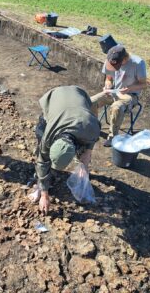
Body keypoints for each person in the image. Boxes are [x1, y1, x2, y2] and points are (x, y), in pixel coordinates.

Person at [29, 86, 101, 215]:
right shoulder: (48, 136)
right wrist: (45, 195)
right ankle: (39, 186)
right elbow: (42, 162)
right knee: (40, 144)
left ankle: (43, 184)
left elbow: (92, 140)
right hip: (55, 96)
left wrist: (84, 164)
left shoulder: (90, 127)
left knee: (85, 153)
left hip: (78, 94)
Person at [90, 45, 147, 147]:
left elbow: (144, 84)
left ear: (125, 58)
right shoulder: (111, 59)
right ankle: (94, 129)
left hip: (130, 95)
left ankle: (112, 137)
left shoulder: (138, 63)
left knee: (116, 107)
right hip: (114, 91)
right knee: (90, 101)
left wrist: (130, 88)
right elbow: (108, 78)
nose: (115, 69)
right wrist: (107, 85)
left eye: (118, 66)